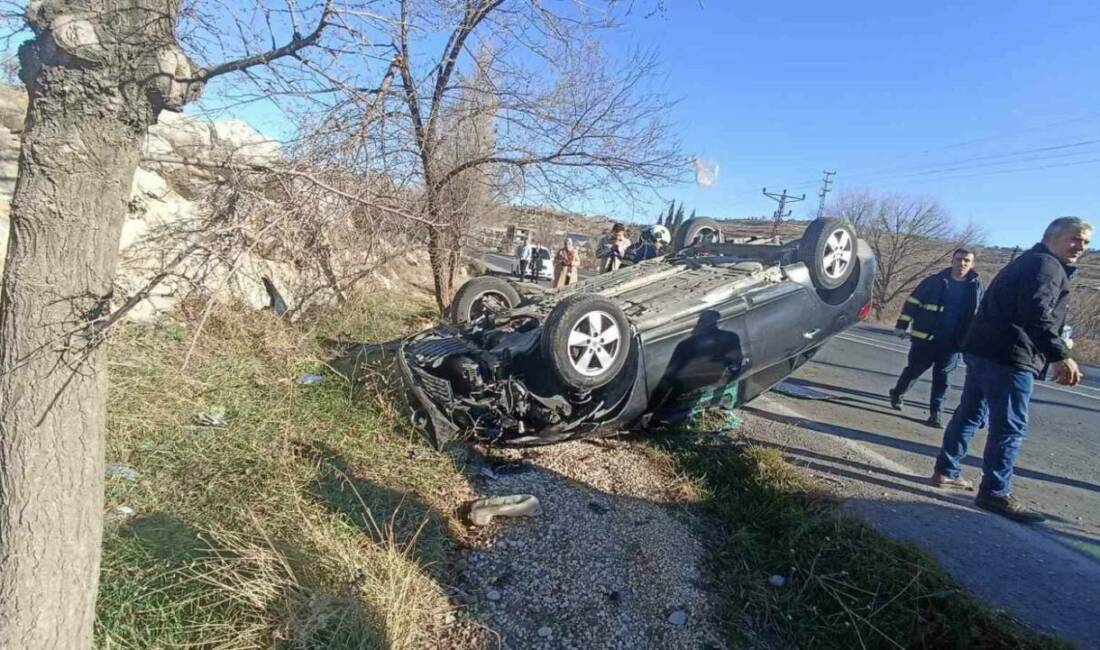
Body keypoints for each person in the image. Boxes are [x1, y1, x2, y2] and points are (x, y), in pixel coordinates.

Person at [930, 217, 1090, 524]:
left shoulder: (1032, 262)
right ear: (1050, 237)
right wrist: (1060, 356)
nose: (1080, 247)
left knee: (970, 413)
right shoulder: (1045, 266)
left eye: (1085, 242)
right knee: (1009, 427)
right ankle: (994, 492)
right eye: (1074, 239)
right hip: (1009, 356)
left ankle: (946, 471)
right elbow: (1037, 315)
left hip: (985, 350)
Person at [888, 248, 982, 427]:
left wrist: (974, 340)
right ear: (952, 261)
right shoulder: (934, 282)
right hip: (925, 339)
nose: (962, 263)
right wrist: (901, 326)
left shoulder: (976, 287)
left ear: (972, 264)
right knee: (914, 370)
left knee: (943, 379)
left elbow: (979, 314)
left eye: (966, 261)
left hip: (953, 343)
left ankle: (935, 414)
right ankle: (898, 393)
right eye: (959, 259)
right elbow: (913, 303)